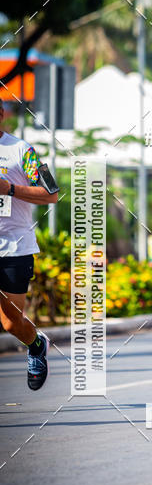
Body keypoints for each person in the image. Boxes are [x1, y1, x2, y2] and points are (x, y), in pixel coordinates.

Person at [0, 98, 57, 389]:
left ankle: (35, 345)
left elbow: (51, 193)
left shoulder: (21, 150)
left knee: (10, 323)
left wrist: (9, 188)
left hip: (14, 248)